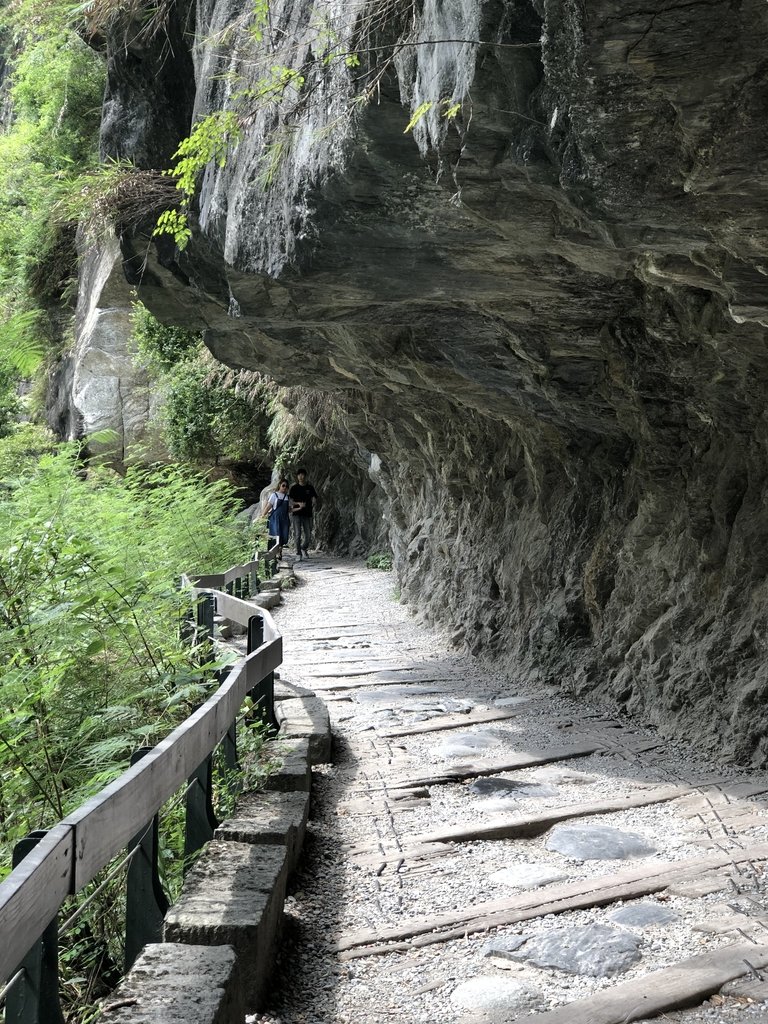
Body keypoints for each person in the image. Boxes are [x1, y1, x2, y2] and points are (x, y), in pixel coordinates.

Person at [289, 468, 319, 560]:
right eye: (299, 475)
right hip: (296, 514)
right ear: (297, 476)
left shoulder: (309, 487)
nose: (301, 476)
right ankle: (298, 553)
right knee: (297, 534)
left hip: (307, 514)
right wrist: (299, 504)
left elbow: (314, 497)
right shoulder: (294, 488)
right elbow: (290, 501)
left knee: (308, 535)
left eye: (302, 475)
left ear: (305, 476)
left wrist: (313, 501)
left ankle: (303, 548)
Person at [266, 479, 291, 556]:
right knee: (277, 535)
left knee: (284, 536)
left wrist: (298, 508)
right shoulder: (274, 495)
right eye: (283, 485)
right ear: (279, 485)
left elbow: (288, 509)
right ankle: (277, 553)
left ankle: (279, 550)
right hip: (275, 518)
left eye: (286, 486)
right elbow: (268, 506)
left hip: (284, 519)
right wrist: (262, 515)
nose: (284, 487)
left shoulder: (287, 497)